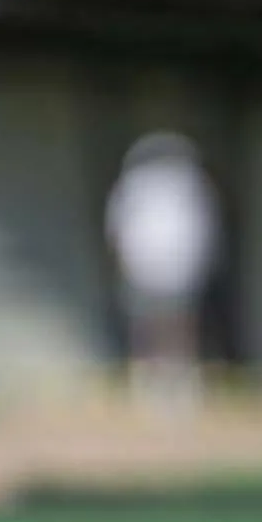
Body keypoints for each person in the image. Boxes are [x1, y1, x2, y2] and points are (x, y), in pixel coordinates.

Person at [104, 133, 220, 408]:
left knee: (179, 325)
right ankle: (149, 383)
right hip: (146, 270)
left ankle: (181, 380)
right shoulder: (134, 187)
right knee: (148, 327)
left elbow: (202, 228)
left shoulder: (188, 185)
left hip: (178, 269)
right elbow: (119, 231)